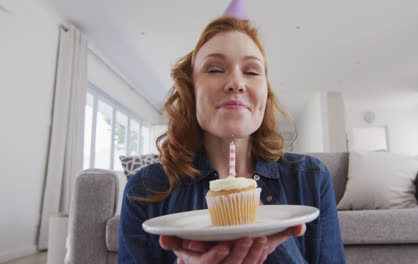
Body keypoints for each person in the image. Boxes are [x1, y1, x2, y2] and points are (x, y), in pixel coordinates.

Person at [118, 10, 346, 264]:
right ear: (191, 90)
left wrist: (275, 244)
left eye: (252, 71)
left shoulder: (311, 178)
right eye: (215, 69)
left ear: (265, 94)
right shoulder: (144, 189)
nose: (236, 83)